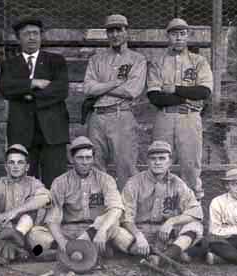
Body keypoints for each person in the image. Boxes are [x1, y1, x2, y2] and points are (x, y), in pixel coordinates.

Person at [27, 136, 134, 258]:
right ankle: (84, 251)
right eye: (80, 158)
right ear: (72, 159)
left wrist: (102, 231)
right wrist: (63, 243)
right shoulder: (60, 182)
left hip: (96, 229)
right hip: (69, 230)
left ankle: (70, 253)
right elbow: (52, 219)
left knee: (115, 227)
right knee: (35, 236)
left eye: (88, 158)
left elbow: (116, 209)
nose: (85, 162)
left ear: (93, 159)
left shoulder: (105, 179)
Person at [147, 18, 213, 200]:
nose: (178, 38)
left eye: (182, 33)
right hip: (165, 117)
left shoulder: (198, 61)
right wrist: (186, 97)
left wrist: (173, 89)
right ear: (168, 35)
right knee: (159, 161)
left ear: (187, 35)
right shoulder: (158, 62)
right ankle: (159, 206)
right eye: (174, 33)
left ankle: (192, 211)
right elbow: (155, 97)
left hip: (189, 118)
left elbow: (204, 92)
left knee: (190, 165)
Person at [0, 17, 69, 189]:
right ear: (18, 38)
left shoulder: (56, 61)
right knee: (24, 181)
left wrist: (27, 95)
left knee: (55, 180)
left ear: (41, 36)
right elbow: (6, 88)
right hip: (22, 130)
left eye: (35, 33)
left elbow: (61, 90)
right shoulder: (9, 64)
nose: (31, 38)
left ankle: (53, 215)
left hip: (52, 131)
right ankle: (27, 214)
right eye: (26, 34)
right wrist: (32, 83)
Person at [83, 14, 146, 191]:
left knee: (125, 165)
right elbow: (88, 88)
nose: (115, 34)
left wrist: (101, 87)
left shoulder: (137, 59)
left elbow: (131, 90)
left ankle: (127, 210)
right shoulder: (96, 59)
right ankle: (102, 208)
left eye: (119, 29)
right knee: (95, 165)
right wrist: (113, 84)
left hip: (121, 114)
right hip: (97, 117)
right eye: (111, 30)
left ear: (127, 32)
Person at [121, 140, 203, 265]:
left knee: (196, 226)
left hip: (166, 234)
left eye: (162, 158)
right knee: (115, 231)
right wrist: (138, 236)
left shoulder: (178, 183)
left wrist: (172, 221)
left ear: (169, 162)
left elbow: (196, 211)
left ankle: (161, 258)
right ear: (147, 161)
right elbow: (125, 217)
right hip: (140, 233)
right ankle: (172, 253)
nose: (157, 162)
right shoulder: (134, 182)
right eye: (153, 158)